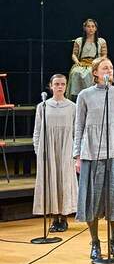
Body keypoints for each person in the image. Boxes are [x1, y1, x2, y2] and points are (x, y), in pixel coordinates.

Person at [73, 57, 114, 261]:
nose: (108, 69)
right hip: (91, 154)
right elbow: (78, 127)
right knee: (93, 201)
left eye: (110, 66)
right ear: (95, 73)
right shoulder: (84, 95)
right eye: (104, 67)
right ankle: (94, 241)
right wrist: (77, 156)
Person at [32, 74, 78, 232]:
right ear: (50, 86)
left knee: (64, 180)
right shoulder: (42, 106)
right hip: (48, 149)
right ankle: (54, 219)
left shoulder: (72, 107)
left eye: (63, 84)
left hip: (66, 148)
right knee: (50, 181)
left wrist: (75, 152)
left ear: (66, 86)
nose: (60, 87)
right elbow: (37, 131)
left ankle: (64, 218)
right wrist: (38, 150)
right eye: (57, 84)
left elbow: (76, 132)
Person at [67, 18, 108, 101]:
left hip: (95, 64)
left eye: (93, 26)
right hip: (82, 64)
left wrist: (97, 62)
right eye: (88, 26)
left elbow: (104, 55)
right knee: (76, 72)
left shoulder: (101, 41)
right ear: (85, 28)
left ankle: (92, 95)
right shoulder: (79, 41)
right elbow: (74, 54)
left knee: (90, 73)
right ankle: (76, 96)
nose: (91, 28)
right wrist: (77, 62)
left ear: (96, 28)